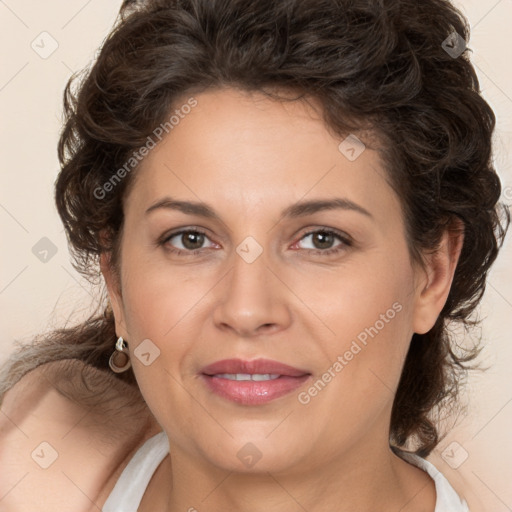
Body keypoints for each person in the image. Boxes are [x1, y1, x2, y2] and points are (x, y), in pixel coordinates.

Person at [0, 0, 509, 510]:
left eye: (322, 239)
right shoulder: (28, 466)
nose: (247, 310)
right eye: (190, 239)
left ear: (432, 275)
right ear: (116, 279)